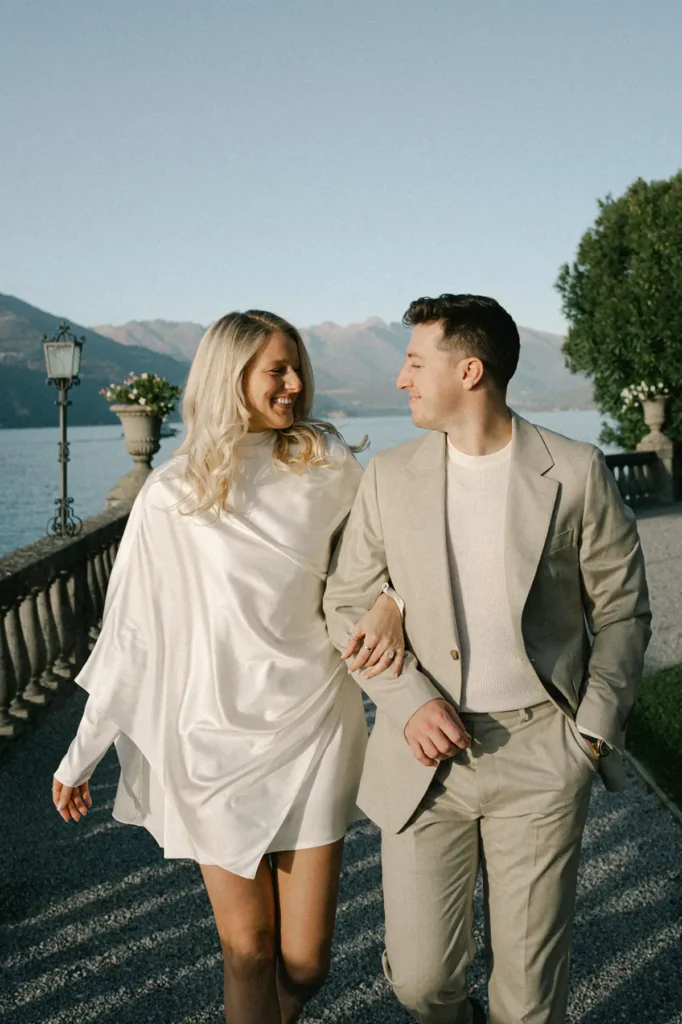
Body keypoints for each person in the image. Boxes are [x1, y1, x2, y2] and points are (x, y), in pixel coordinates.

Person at [51, 310, 406, 1024]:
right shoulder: (170, 495)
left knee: (305, 963)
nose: (295, 383)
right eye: (278, 369)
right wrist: (80, 753)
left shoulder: (329, 467)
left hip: (315, 729)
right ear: (230, 376)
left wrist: (392, 599)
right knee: (246, 950)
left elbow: (398, 551)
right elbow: (131, 639)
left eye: (298, 366)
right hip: (209, 744)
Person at [324, 294, 652, 1024]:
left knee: (530, 999)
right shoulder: (389, 477)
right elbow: (344, 604)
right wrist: (409, 699)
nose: (402, 379)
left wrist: (590, 732)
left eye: (415, 362)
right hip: (422, 763)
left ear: (469, 370)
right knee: (418, 981)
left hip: (542, 753)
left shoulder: (576, 471)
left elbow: (624, 611)